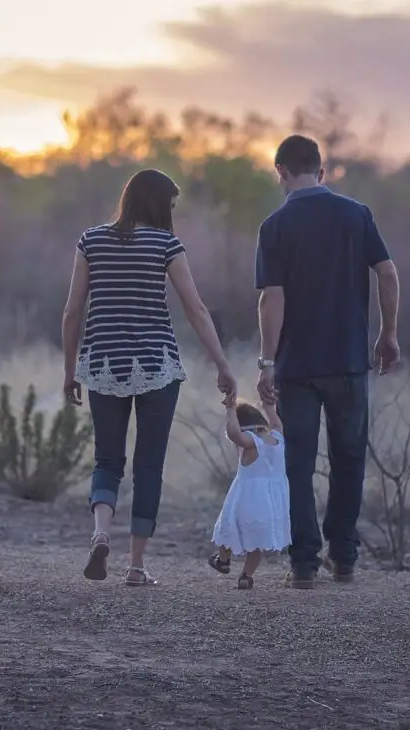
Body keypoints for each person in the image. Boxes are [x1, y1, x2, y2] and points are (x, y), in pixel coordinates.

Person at [61, 168, 237, 586]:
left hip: (103, 364)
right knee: (149, 464)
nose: (172, 213)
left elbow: (72, 312)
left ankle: (101, 532)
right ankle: (136, 566)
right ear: (158, 204)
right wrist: (222, 364)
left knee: (107, 458)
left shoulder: (91, 240)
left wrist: (70, 372)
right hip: (157, 366)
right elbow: (196, 310)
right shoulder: (166, 244)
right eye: (171, 205)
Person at [255, 135, 401, 589]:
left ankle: (303, 563)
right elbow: (388, 273)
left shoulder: (274, 226)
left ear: (280, 171)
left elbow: (271, 299)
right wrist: (388, 333)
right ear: (322, 170)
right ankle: (344, 557)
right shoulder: (356, 215)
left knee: (297, 463)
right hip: (348, 360)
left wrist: (266, 361)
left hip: (296, 366)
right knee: (349, 457)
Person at [209, 398, 290, 589]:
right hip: (271, 502)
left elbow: (234, 434)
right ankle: (246, 576)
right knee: (257, 542)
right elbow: (277, 423)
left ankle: (223, 559)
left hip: (247, 499)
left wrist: (230, 410)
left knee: (227, 528)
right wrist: (269, 407)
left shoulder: (251, 442)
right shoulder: (278, 438)